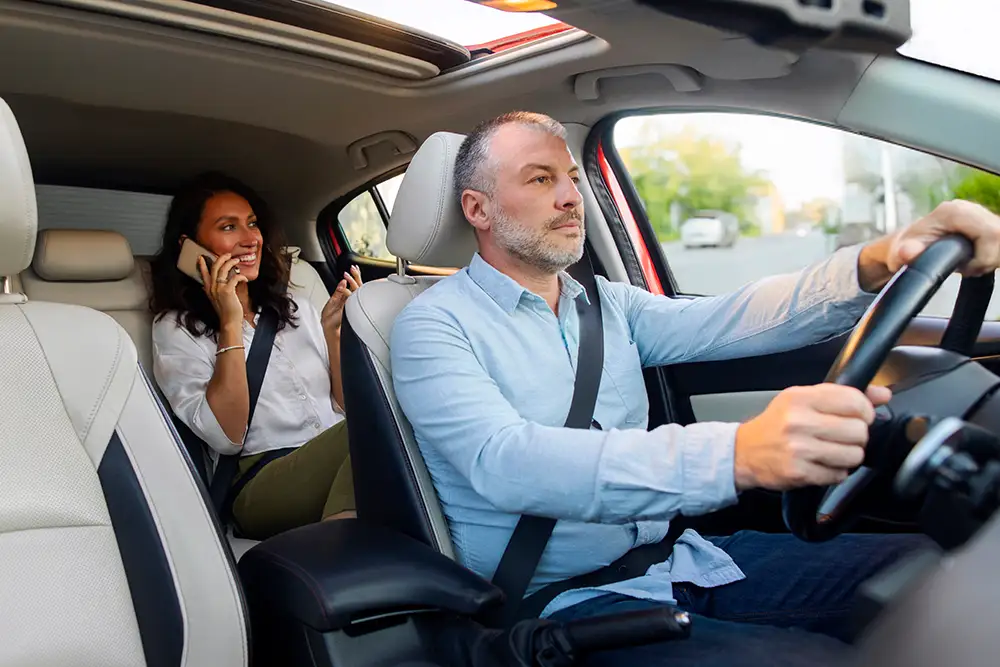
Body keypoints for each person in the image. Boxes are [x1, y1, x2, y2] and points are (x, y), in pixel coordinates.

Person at [389, 112, 1000, 666]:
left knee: (946, 581)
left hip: (687, 560)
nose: (572, 198)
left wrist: (877, 258)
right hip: (563, 607)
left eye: (571, 178)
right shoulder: (432, 324)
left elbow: (738, 317)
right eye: (541, 179)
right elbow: (508, 463)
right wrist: (738, 452)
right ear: (478, 209)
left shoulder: (607, 305)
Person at [150, 171, 361, 540]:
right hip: (260, 482)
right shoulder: (176, 328)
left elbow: (343, 407)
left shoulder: (295, 307)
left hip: (337, 455)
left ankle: (347, 551)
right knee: (372, 430)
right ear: (190, 246)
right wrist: (230, 321)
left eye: (252, 224)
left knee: (375, 427)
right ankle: (341, 560)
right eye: (229, 227)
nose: (251, 239)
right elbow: (227, 436)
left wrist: (335, 334)